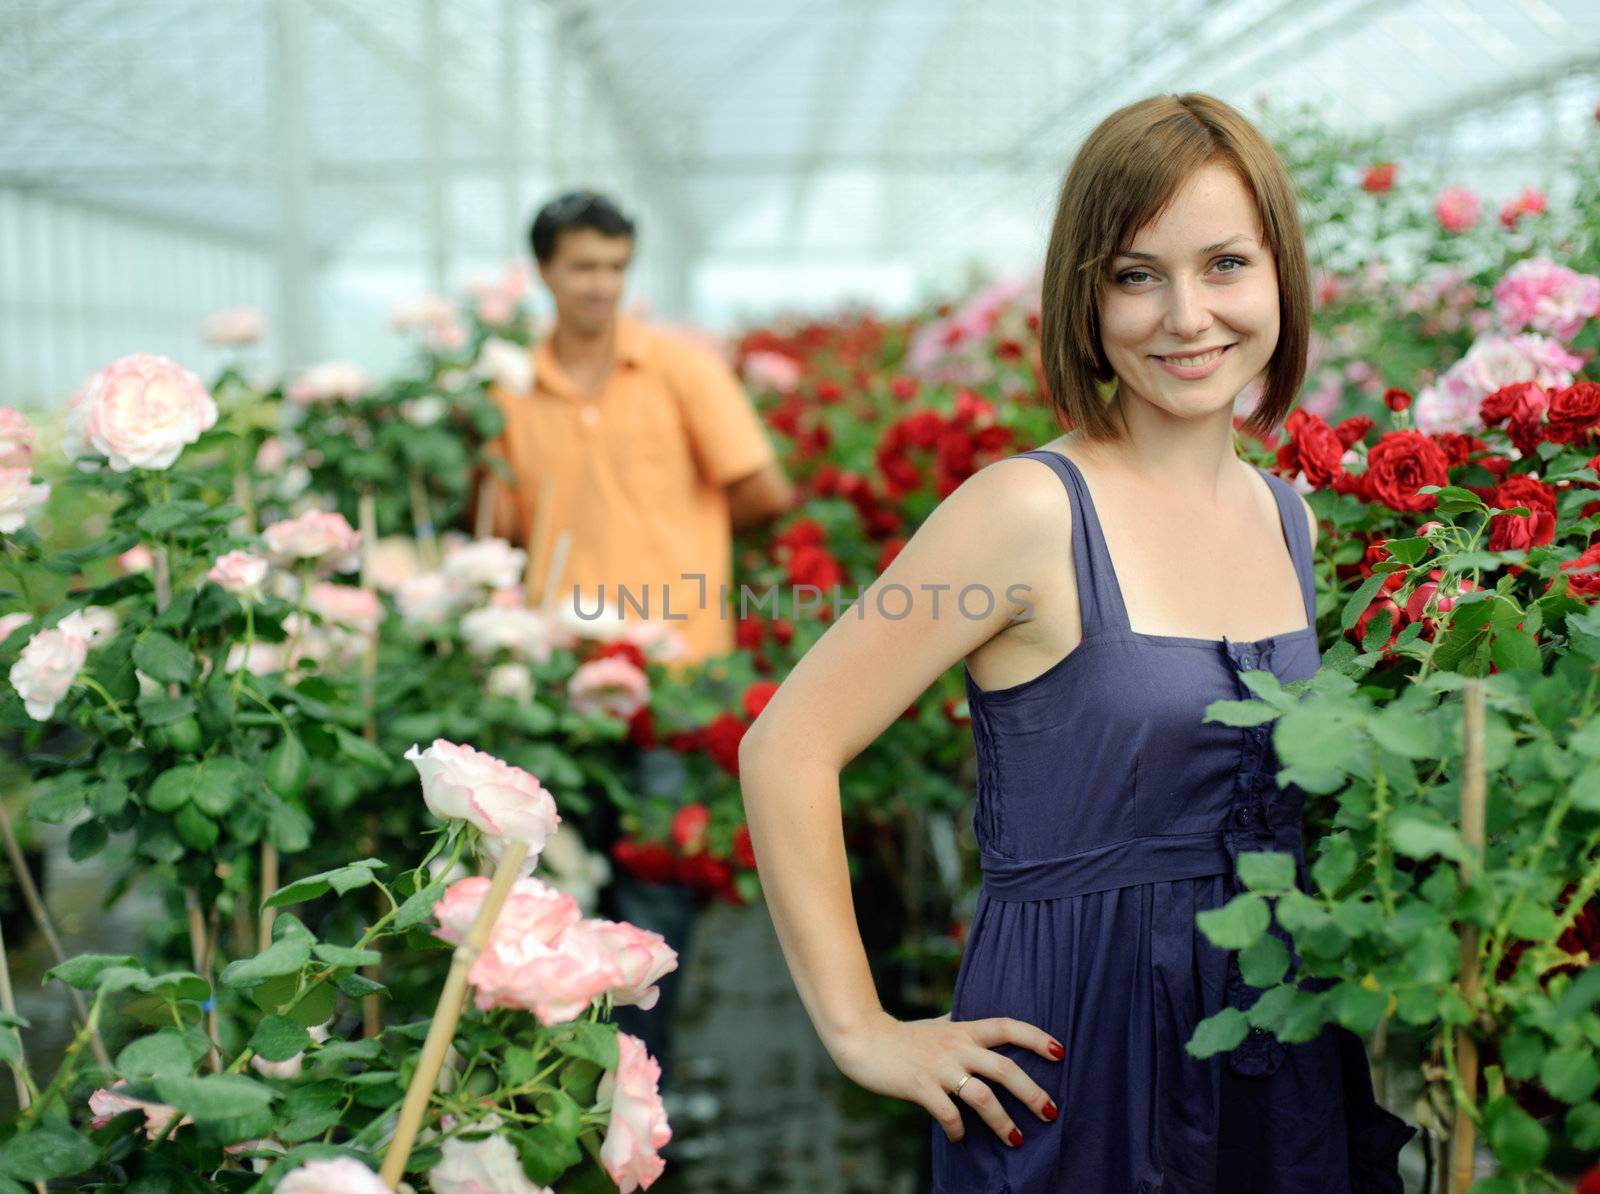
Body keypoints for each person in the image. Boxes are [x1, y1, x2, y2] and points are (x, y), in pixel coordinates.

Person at [738, 94, 1415, 1192]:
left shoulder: (1285, 515)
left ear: (1281, 276)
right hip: (1076, 1056)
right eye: (1136, 275)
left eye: (1226, 265)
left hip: (1274, 1043)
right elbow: (786, 747)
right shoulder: (1029, 512)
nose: (1186, 315)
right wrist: (860, 1030)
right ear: (1085, 298)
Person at [477, 189, 793, 1089]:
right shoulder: (509, 389)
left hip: (675, 672)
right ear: (543, 271)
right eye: (583, 266)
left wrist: (680, 540)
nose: (600, 285)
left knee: (659, 871)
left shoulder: (680, 371)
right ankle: (568, 1074)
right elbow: (493, 524)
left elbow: (762, 488)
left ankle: (643, 1076)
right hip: (555, 676)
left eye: (615, 267)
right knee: (562, 874)